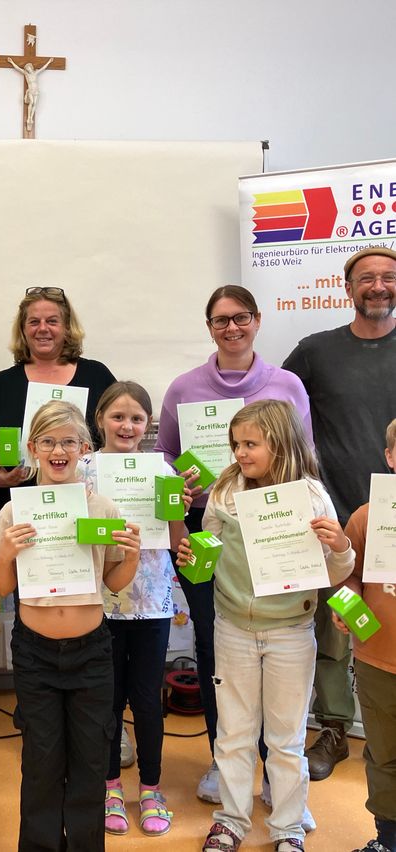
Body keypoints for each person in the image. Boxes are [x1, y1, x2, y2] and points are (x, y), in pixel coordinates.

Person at [155, 284, 312, 802]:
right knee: (214, 647)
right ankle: (225, 764)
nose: (231, 328)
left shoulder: (286, 384)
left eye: (240, 317)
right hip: (208, 530)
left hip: (274, 533)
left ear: (257, 321)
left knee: (275, 647)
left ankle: (273, 767)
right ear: (209, 327)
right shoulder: (183, 388)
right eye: (220, 320)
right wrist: (182, 487)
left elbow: (304, 456)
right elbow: (167, 459)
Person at [176, 400, 354, 852]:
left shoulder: (311, 495)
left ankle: (288, 827)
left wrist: (340, 547)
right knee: (233, 732)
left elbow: (331, 575)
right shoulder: (224, 490)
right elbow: (207, 553)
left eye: (250, 444)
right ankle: (231, 820)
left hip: (291, 631)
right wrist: (191, 553)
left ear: (280, 442)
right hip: (233, 626)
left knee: (286, 738)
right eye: (235, 444)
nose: (239, 453)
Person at [0, 401, 141, 851]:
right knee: (41, 760)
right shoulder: (13, 513)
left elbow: (113, 581)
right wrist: (10, 555)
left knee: (92, 760)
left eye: (69, 442)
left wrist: (131, 555)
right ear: (33, 448)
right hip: (35, 652)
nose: (59, 450)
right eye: (49, 441)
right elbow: (1, 585)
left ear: (84, 448)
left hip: (92, 651)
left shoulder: (103, 509)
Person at [282, 246, 396, 781]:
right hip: (335, 523)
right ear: (347, 288)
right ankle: (333, 729)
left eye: (388, 278)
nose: (378, 286)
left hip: (394, 523)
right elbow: (275, 405)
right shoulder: (315, 352)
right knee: (338, 631)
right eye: (366, 278)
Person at [84, 382, 190, 837]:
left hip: (152, 600)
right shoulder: (83, 469)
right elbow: (75, 533)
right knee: (106, 699)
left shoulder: (161, 468)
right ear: (100, 419)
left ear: (149, 426)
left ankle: (150, 788)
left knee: (148, 699)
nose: (126, 426)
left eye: (136, 418)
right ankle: (109, 785)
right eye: (117, 416)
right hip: (101, 599)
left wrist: (178, 509)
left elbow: (176, 538)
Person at [0, 286, 116, 511]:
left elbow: (120, 438)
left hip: (86, 508)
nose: (42, 329)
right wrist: (0, 478)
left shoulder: (98, 376)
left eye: (52, 321)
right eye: (33, 322)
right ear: (22, 329)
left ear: (67, 328)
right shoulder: (3, 384)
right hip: (22, 511)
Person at [333, 418, 396, 852]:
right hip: (378, 659)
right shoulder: (368, 516)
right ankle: (388, 841)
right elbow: (349, 577)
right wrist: (347, 608)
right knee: (384, 756)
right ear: (390, 457)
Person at [7, 56, 53, 131]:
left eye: (29, 68)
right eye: (27, 68)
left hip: (36, 91)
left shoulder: (35, 73)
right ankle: (28, 118)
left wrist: (49, 62)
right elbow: (18, 68)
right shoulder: (26, 74)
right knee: (31, 102)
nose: (28, 69)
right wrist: (11, 62)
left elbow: (43, 68)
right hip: (30, 90)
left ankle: (31, 118)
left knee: (34, 104)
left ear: (31, 68)